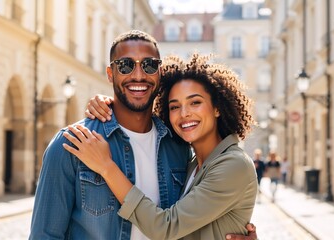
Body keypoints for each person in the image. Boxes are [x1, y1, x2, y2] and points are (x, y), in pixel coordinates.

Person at [29, 30, 257, 240]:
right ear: (111, 74)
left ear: (159, 73)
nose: (138, 75)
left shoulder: (177, 148)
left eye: (149, 65)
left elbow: (174, 225)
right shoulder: (73, 144)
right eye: (126, 65)